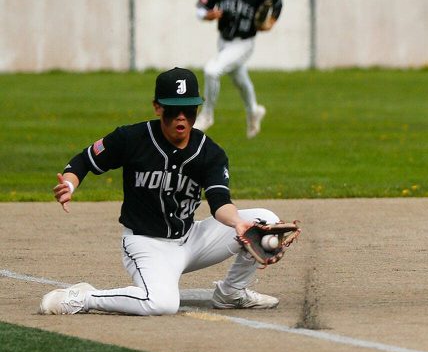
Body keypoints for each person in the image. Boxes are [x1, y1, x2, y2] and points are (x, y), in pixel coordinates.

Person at [40, 67, 283, 315]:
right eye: (173, 110)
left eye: (188, 110)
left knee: (266, 221)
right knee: (161, 304)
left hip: (192, 240)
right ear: (157, 107)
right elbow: (84, 161)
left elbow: (219, 202)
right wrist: (69, 185)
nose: (181, 117)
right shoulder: (131, 138)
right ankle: (84, 298)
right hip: (146, 244)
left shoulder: (209, 152)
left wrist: (239, 224)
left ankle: (232, 293)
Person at [193, 0, 283, 138]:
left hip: (244, 43)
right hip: (224, 41)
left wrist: (271, 22)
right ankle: (254, 110)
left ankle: (207, 115)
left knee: (211, 70)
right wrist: (207, 15)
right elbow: (200, 8)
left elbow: (277, 2)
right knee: (241, 80)